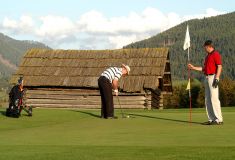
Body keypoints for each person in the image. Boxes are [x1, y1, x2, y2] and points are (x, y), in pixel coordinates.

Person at [188, 40, 223, 125]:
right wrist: (193, 68)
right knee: (207, 99)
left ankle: (218, 119)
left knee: (214, 98)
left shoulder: (216, 54)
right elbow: (204, 69)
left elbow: (219, 66)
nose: (204, 48)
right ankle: (211, 119)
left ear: (208, 46)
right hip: (207, 77)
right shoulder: (207, 56)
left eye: (205, 47)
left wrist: (217, 78)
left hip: (213, 77)